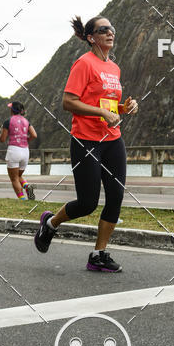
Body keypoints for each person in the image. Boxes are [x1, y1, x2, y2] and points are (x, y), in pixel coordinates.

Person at [33, 15, 138, 271]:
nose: (110, 32)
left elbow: (109, 105)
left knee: (116, 197)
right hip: (86, 140)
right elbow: (69, 102)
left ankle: (98, 255)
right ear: (91, 37)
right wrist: (102, 113)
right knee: (87, 203)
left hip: (112, 139)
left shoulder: (114, 67)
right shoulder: (84, 64)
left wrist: (124, 108)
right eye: (104, 30)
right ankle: (50, 223)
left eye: (112, 28)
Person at [0, 101, 37, 199]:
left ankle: (22, 199)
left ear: (12, 110)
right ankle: (26, 186)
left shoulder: (8, 121)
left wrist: (2, 131)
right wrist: (26, 139)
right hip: (25, 151)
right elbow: (34, 135)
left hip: (14, 150)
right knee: (18, 176)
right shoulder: (26, 121)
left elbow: (2, 139)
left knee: (14, 179)